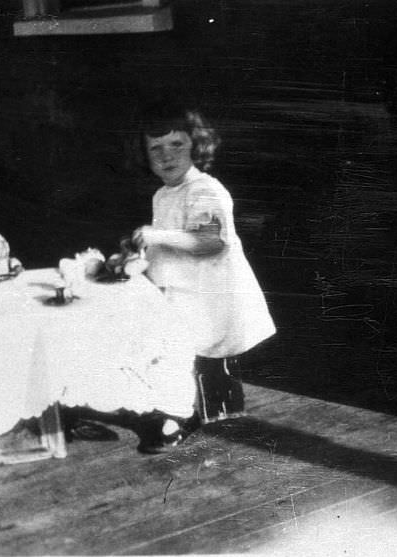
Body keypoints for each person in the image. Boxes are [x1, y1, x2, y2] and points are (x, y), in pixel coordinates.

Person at [130, 101, 276, 448]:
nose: (167, 156)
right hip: (182, 288)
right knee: (177, 351)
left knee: (186, 351)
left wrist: (155, 235)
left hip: (212, 291)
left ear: (196, 146)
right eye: (156, 149)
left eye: (177, 145)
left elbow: (209, 242)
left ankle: (181, 416)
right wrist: (138, 254)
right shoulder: (164, 194)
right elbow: (165, 244)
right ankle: (196, 409)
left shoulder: (204, 189)